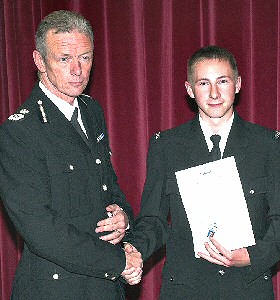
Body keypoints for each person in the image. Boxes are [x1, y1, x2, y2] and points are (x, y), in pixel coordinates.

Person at [0, 10, 142, 300]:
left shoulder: (91, 111)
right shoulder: (20, 131)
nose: (77, 70)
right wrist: (118, 262)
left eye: (86, 57)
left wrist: (123, 217)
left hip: (104, 286)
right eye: (64, 59)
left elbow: (108, 185)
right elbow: (41, 230)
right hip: (57, 287)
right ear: (40, 61)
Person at [124, 45, 280, 299]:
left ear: (238, 84)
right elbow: (153, 218)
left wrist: (251, 256)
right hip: (186, 289)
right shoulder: (167, 146)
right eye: (204, 83)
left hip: (248, 288)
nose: (215, 93)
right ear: (189, 90)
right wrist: (135, 250)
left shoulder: (268, 145)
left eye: (223, 81)